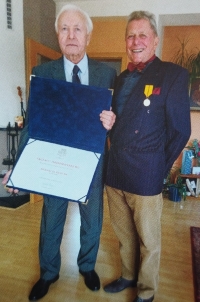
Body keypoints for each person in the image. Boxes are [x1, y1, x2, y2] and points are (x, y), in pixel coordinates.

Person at [2, 4, 116, 301]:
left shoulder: (107, 75)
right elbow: (32, 126)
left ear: (88, 36)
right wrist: (17, 168)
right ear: (57, 34)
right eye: (64, 28)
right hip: (54, 164)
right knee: (51, 219)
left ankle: (87, 266)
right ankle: (48, 272)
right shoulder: (43, 72)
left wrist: (112, 122)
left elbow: (117, 120)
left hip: (91, 164)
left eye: (78, 28)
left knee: (93, 220)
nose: (71, 35)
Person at [103, 10, 191, 302]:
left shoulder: (173, 75)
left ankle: (147, 291)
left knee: (149, 240)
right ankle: (128, 275)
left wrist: (158, 168)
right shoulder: (120, 77)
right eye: (130, 35)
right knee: (124, 233)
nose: (135, 40)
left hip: (146, 173)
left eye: (142, 34)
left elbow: (180, 131)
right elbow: (119, 120)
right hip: (115, 171)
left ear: (155, 40)